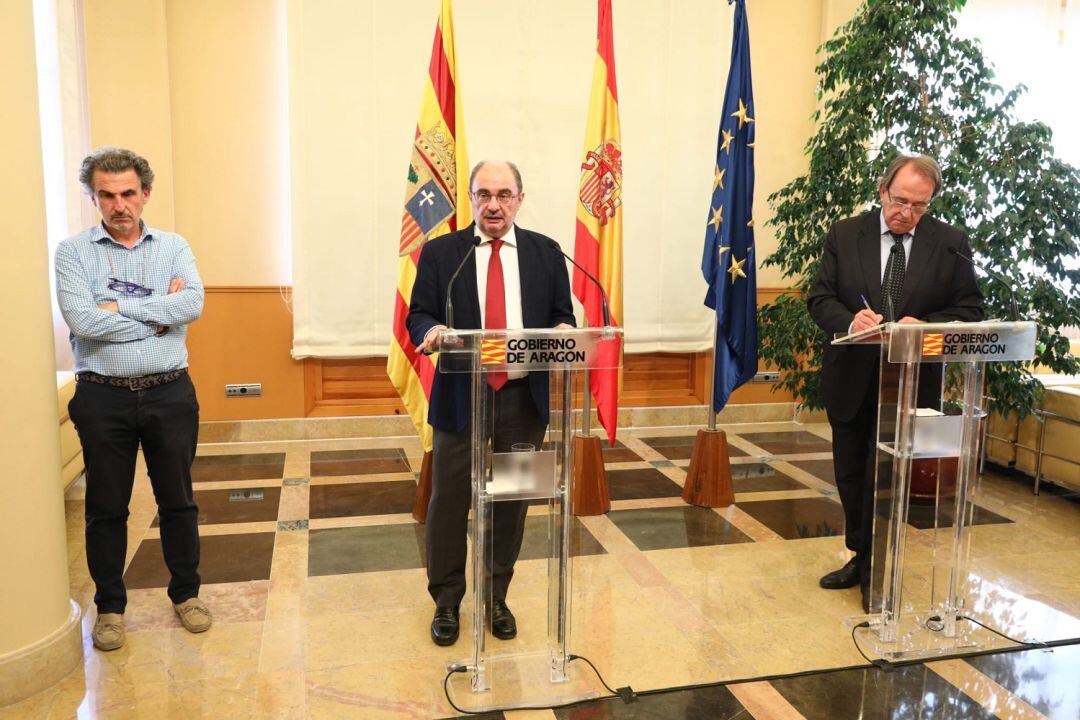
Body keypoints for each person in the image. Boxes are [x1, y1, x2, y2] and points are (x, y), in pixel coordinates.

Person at [407, 160, 575, 646]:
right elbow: (419, 314)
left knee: (513, 501)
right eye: (484, 194)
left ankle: (497, 596)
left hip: (524, 398)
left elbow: (563, 315)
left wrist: (564, 329)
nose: (494, 205)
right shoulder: (442, 253)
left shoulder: (547, 252)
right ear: (471, 199)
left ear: (520, 199)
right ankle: (446, 601)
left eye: (504, 194)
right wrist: (433, 330)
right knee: (448, 501)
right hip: (462, 397)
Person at [806, 154, 983, 610]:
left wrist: (924, 325)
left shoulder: (950, 243)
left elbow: (970, 309)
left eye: (919, 205)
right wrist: (852, 320)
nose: (907, 212)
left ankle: (878, 568)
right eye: (900, 201)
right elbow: (820, 298)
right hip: (851, 376)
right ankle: (861, 555)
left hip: (911, 383)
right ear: (882, 191)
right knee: (851, 473)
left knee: (888, 476)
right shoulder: (846, 234)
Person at [56, 147, 211, 650]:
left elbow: (192, 303)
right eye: (107, 195)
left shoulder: (173, 246)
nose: (119, 205)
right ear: (94, 198)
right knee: (106, 508)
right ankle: (110, 608)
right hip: (103, 398)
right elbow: (83, 322)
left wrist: (116, 306)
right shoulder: (72, 253)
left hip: (170, 393)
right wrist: (158, 317)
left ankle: (186, 594)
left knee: (178, 501)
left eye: (128, 193)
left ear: (145, 194)